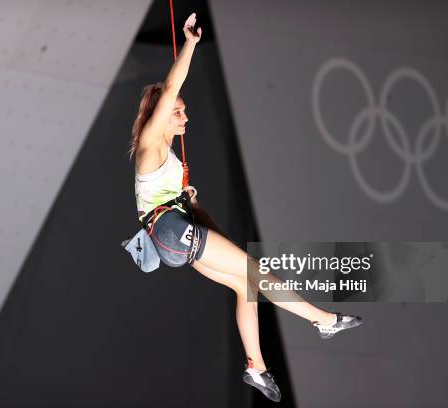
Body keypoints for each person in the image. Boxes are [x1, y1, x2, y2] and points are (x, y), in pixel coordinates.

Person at [130, 13, 363, 403]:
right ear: (160, 114)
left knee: (246, 286)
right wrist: (189, 43)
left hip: (172, 236)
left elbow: (189, 218)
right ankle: (322, 320)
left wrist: (191, 203)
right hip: (170, 233)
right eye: (178, 111)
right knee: (258, 273)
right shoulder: (152, 140)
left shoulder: (163, 156)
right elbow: (171, 84)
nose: (185, 116)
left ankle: (255, 366)